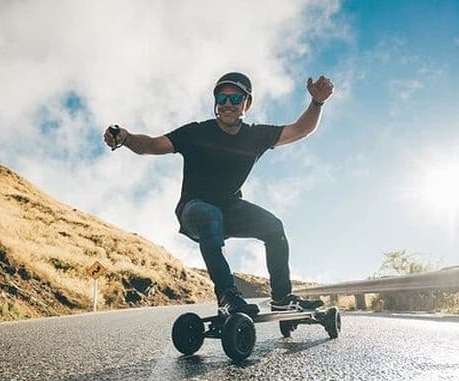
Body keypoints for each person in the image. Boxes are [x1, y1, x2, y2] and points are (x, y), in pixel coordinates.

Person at [103, 72, 334, 316]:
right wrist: (126, 138)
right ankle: (227, 295)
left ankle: (282, 298)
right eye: (221, 98)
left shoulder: (255, 136)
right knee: (209, 214)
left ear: (247, 104)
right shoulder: (196, 133)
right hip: (194, 210)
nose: (227, 104)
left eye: (235, 99)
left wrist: (317, 103)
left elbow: (301, 129)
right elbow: (151, 145)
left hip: (232, 210)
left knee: (274, 227)